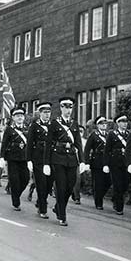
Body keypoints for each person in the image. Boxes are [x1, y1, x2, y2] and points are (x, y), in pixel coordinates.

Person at [45, 97, 84, 226]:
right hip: (58, 158)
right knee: (61, 187)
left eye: (70, 107)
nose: (68, 110)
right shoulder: (54, 123)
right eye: (65, 107)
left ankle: (58, 207)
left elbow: (78, 143)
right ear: (61, 108)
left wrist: (82, 161)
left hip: (72, 159)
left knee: (70, 186)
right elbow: (48, 144)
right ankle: (62, 215)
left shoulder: (74, 124)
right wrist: (46, 163)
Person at [26, 102, 53, 219]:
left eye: (49, 112)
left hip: (51, 158)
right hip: (38, 158)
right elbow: (29, 144)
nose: (47, 115)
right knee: (41, 184)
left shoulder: (53, 126)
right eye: (45, 112)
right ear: (40, 113)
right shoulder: (34, 126)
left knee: (49, 184)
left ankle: (40, 201)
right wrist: (29, 160)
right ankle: (43, 209)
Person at [1, 107, 29, 211]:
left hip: (24, 158)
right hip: (12, 158)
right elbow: (4, 144)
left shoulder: (27, 129)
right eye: (17, 116)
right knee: (15, 180)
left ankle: (16, 194)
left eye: (21, 116)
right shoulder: (9, 129)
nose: (20, 118)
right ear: (13, 118)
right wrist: (2, 157)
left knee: (25, 179)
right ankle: (16, 202)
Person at [84, 116, 111, 210]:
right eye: (102, 123)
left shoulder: (109, 135)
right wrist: (86, 162)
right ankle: (98, 202)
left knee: (108, 181)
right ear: (98, 125)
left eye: (105, 123)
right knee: (99, 182)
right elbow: (87, 149)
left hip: (107, 161)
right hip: (97, 161)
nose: (104, 125)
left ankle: (99, 196)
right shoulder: (94, 135)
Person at [105, 115, 131, 215]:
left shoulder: (129, 134)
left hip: (126, 162)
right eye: (122, 122)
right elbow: (107, 150)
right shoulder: (112, 134)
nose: (125, 124)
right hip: (115, 162)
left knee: (126, 183)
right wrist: (106, 164)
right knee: (118, 184)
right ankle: (119, 207)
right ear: (118, 123)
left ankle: (115, 198)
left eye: (126, 122)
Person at [71, 125, 88, 205]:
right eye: (79, 131)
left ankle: (73, 193)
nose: (80, 133)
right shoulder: (72, 141)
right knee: (77, 180)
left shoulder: (85, 141)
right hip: (74, 162)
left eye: (82, 131)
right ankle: (77, 197)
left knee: (83, 180)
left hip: (82, 162)